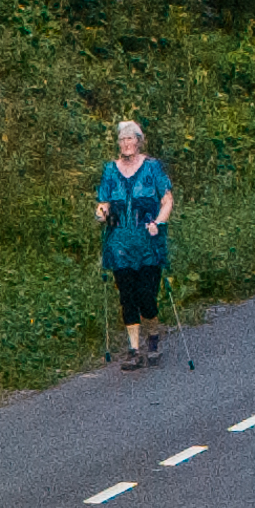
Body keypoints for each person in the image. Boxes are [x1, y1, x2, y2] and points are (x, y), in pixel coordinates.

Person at [96, 118, 174, 367]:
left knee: (146, 294)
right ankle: (134, 350)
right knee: (127, 295)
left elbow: (167, 199)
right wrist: (101, 212)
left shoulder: (152, 168)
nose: (126, 143)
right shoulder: (110, 170)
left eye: (130, 138)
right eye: (122, 139)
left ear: (139, 142)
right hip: (120, 241)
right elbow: (104, 201)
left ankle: (153, 335)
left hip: (147, 240)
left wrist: (159, 223)